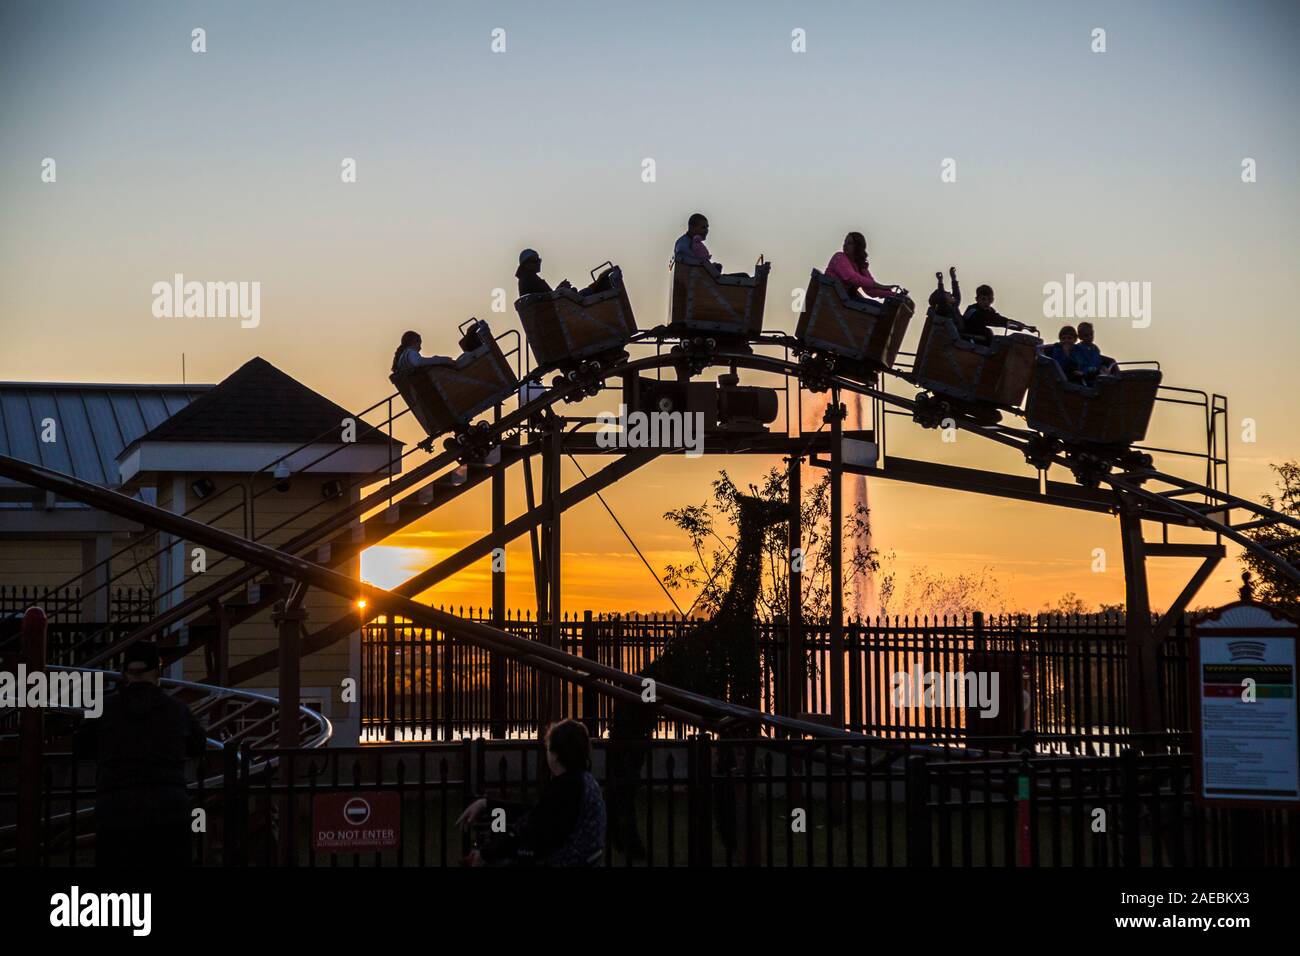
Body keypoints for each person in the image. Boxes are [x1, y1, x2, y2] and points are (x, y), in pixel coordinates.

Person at [73, 642, 207, 868]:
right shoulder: (177, 709)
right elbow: (198, 745)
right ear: (157, 671)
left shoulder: (104, 708)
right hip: (168, 808)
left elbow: (82, 747)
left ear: (125, 673)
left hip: (117, 807)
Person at [456, 719, 606, 866]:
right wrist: (488, 805)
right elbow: (537, 815)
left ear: (555, 755)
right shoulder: (584, 782)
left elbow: (532, 829)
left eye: (547, 748)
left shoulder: (566, 788)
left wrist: (485, 855)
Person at [825, 231, 905, 300]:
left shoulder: (859, 266)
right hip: (831, 298)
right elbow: (851, 277)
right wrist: (880, 286)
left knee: (878, 308)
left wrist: (895, 295)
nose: (845, 245)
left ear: (858, 247)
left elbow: (871, 291)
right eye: (845, 242)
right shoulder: (839, 257)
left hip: (843, 301)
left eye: (849, 243)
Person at [960, 284, 1038, 346]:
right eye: (983, 299)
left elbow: (1001, 320)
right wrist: (1014, 325)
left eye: (990, 299)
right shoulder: (972, 311)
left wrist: (1024, 327)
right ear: (977, 299)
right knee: (989, 333)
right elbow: (994, 320)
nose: (987, 302)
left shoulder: (989, 311)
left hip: (980, 339)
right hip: (969, 340)